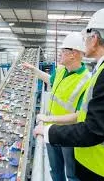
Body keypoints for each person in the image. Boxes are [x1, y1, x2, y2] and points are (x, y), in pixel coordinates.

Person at [33, 7, 104, 181]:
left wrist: (49, 131)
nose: (84, 41)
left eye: (86, 36)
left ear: (95, 38)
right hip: (98, 163)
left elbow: (94, 129)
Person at [24, 32, 90, 181]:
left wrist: (47, 118)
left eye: (63, 51)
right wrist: (33, 70)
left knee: (72, 174)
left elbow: (78, 115)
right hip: (50, 129)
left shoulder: (87, 80)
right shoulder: (61, 70)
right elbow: (50, 80)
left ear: (73, 54)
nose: (60, 54)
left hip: (69, 134)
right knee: (55, 170)